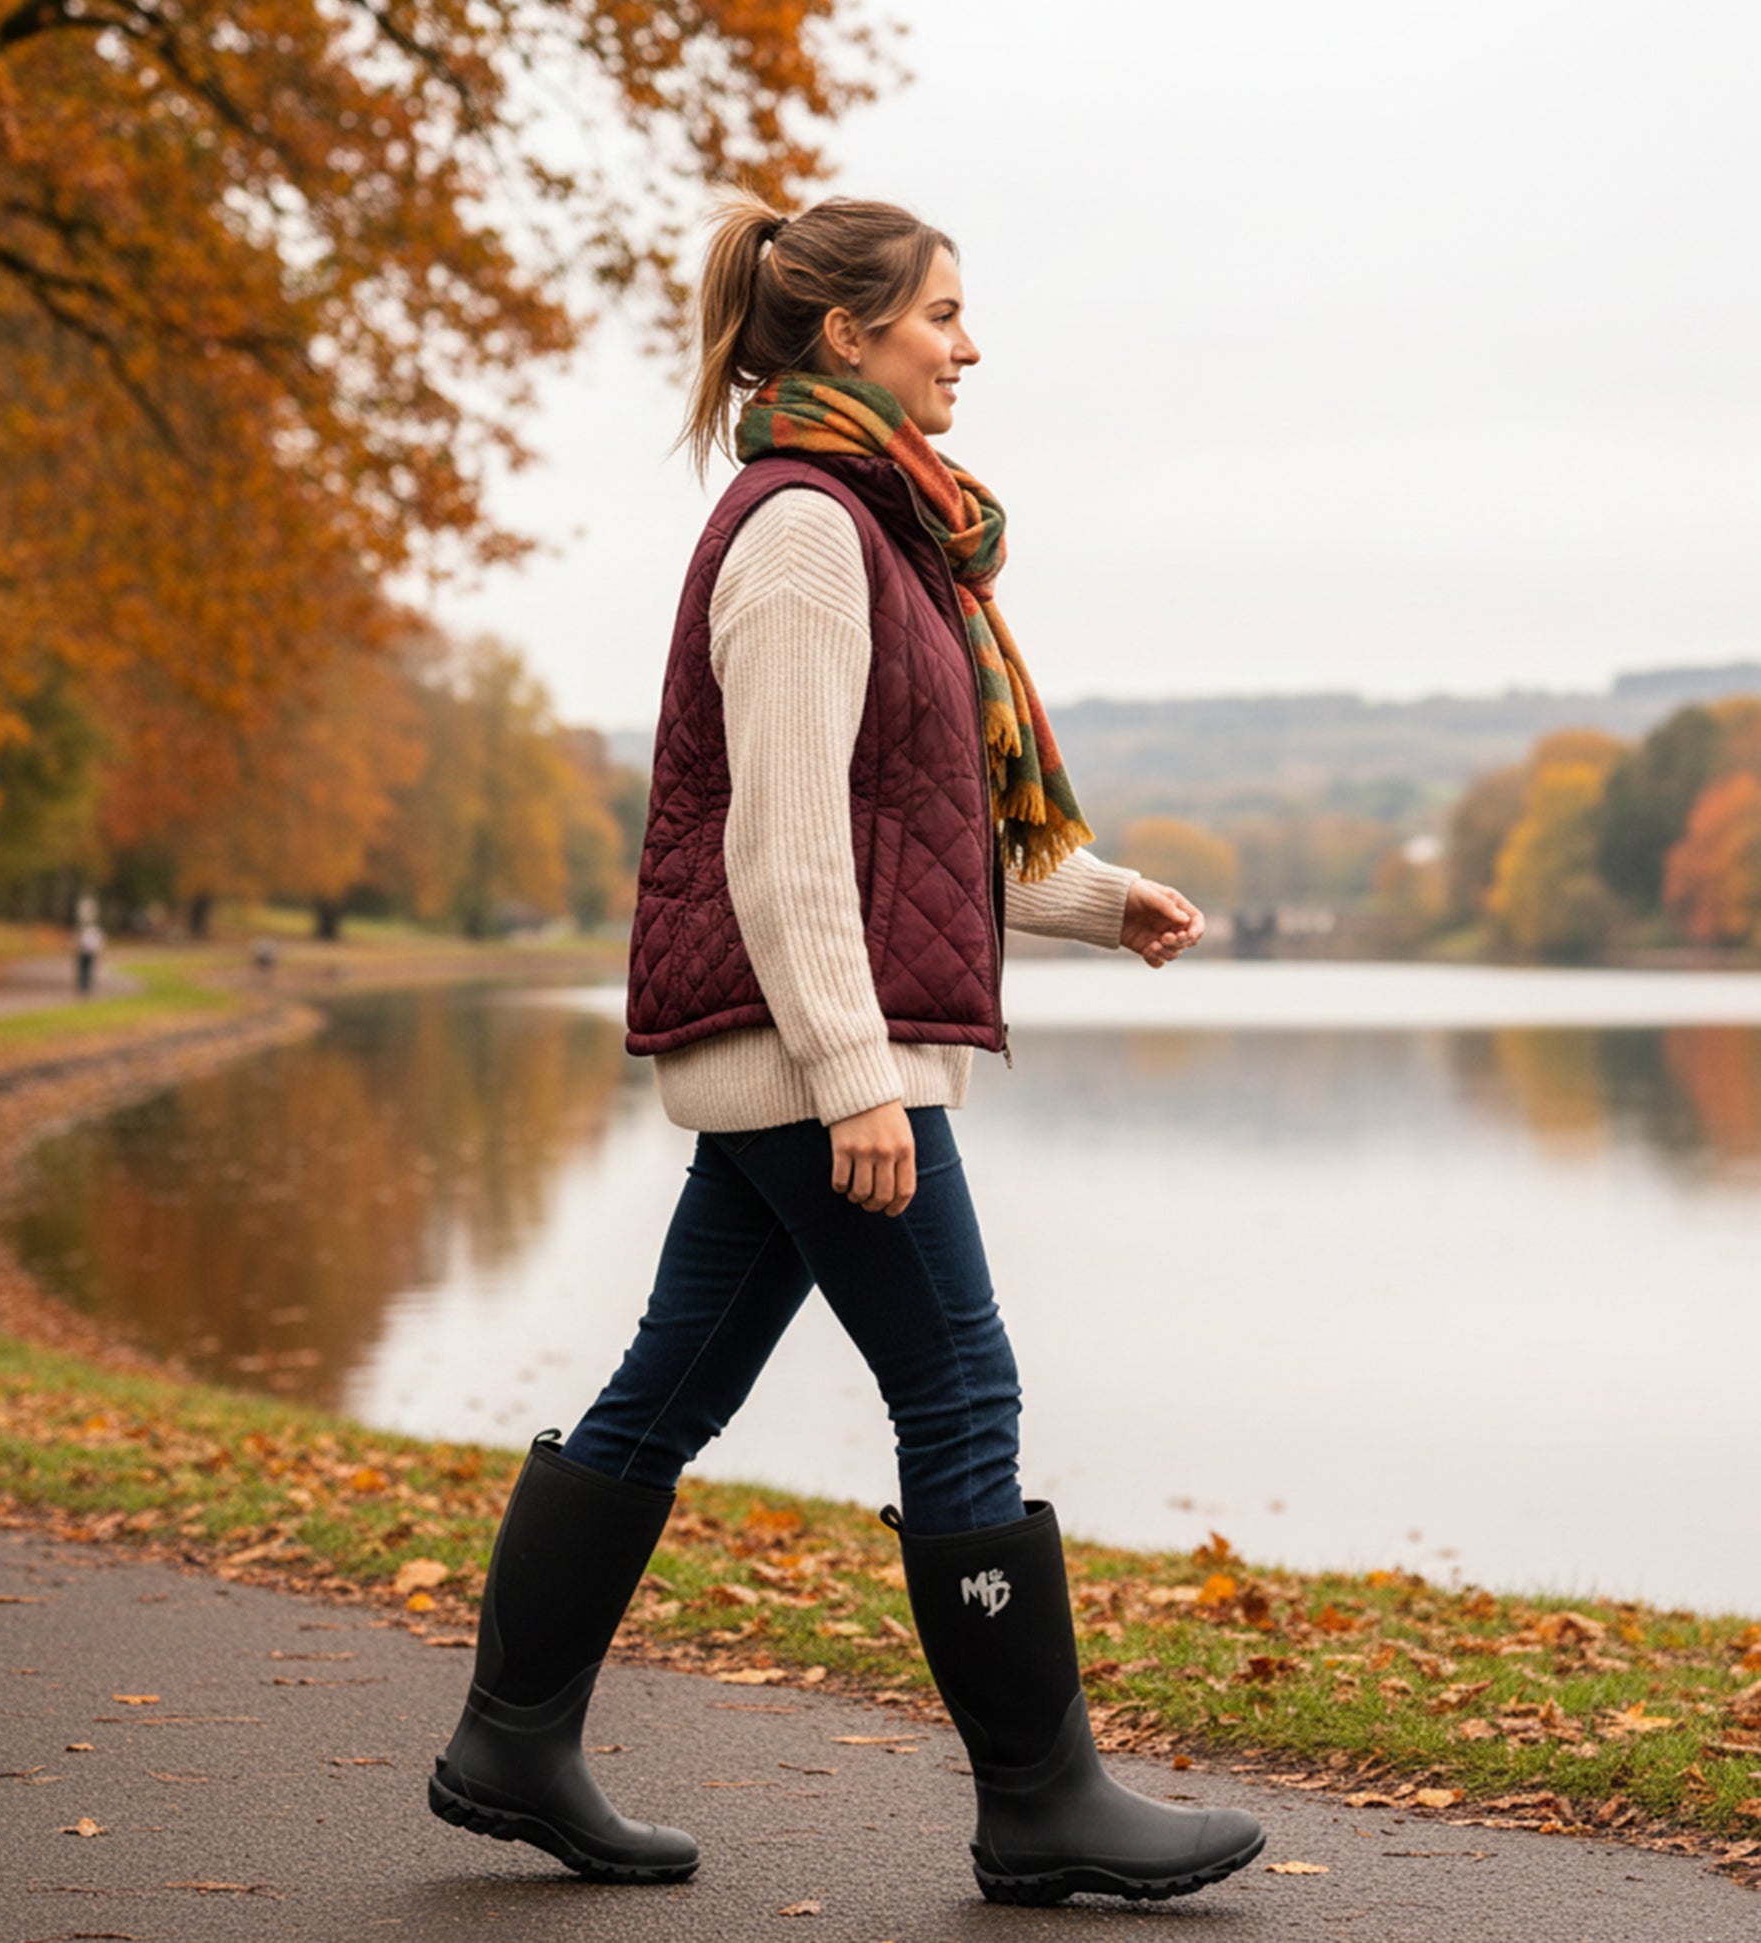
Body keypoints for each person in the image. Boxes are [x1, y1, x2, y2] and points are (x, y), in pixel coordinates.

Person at [428, 194, 1265, 1906]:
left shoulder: (886, 536)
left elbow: (909, 830)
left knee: (666, 1392)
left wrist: (1102, 904)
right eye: (942, 314)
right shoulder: (807, 535)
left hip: (796, 1058)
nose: (969, 345)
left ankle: (511, 1741)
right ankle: (1041, 1801)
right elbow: (786, 845)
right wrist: (858, 1072)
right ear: (845, 337)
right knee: (961, 1390)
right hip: (815, 1061)